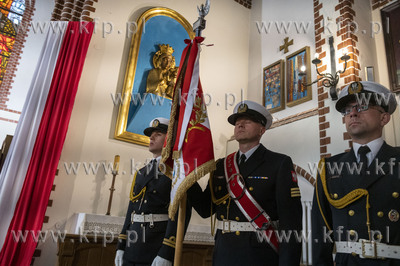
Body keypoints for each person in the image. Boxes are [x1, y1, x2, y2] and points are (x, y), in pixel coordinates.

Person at [188, 100, 303, 265]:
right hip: (223, 254)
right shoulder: (221, 166)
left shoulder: (278, 163)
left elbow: (291, 223)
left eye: (247, 121)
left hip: (259, 255)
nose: (240, 125)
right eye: (237, 122)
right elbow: (206, 209)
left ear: (262, 130)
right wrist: (186, 179)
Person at [312, 81, 400, 265]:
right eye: (347, 110)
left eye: (363, 106)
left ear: (384, 118)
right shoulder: (328, 167)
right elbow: (320, 232)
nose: (352, 113)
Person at [115, 117, 190, 266]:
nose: (152, 137)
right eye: (151, 134)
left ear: (170, 139)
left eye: (159, 134)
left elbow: (181, 213)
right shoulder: (142, 172)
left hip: (155, 247)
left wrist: (167, 252)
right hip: (132, 246)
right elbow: (131, 212)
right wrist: (121, 245)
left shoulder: (177, 172)